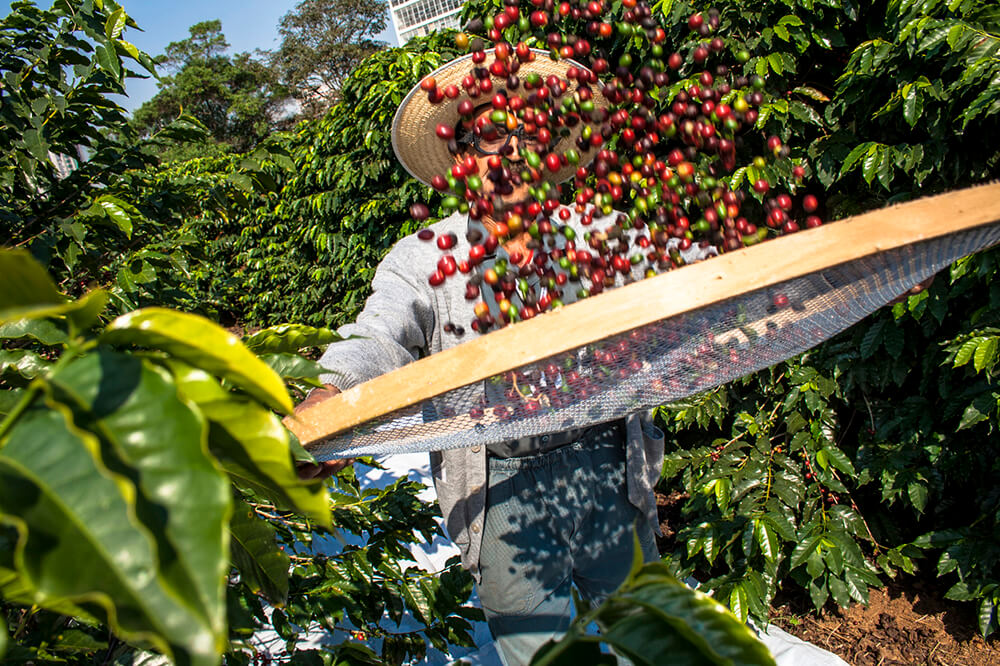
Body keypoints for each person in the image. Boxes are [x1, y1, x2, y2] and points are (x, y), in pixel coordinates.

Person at [292, 49, 709, 665]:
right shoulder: (425, 258)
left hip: (607, 467)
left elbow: (698, 276)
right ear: (461, 155)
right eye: (491, 133)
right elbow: (378, 337)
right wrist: (328, 401)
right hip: (501, 487)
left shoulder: (601, 236)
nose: (512, 150)